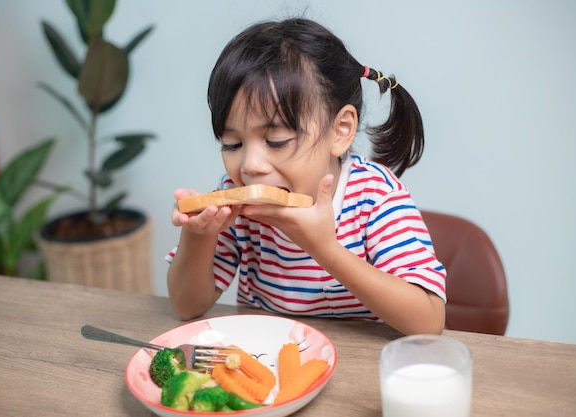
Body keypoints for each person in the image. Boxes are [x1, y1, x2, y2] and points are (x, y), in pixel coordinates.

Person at [166, 18, 446, 335]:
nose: (251, 165)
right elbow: (186, 306)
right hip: (270, 367)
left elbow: (429, 321)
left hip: (362, 369)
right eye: (233, 144)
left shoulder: (375, 198)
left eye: (276, 141)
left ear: (340, 131)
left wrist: (324, 248)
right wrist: (199, 234)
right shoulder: (236, 203)